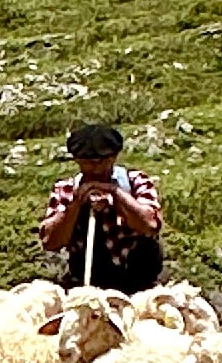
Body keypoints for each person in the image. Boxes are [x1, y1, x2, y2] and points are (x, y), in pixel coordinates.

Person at [37, 121, 165, 294]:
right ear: (77, 160)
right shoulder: (65, 190)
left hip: (141, 285)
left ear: (114, 157)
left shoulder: (136, 182)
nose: (96, 169)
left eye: (102, 161)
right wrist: (76, 205)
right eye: (88, 163)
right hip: (88, 286)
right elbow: (50, 241)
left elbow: (150, 225)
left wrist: (115, 193)